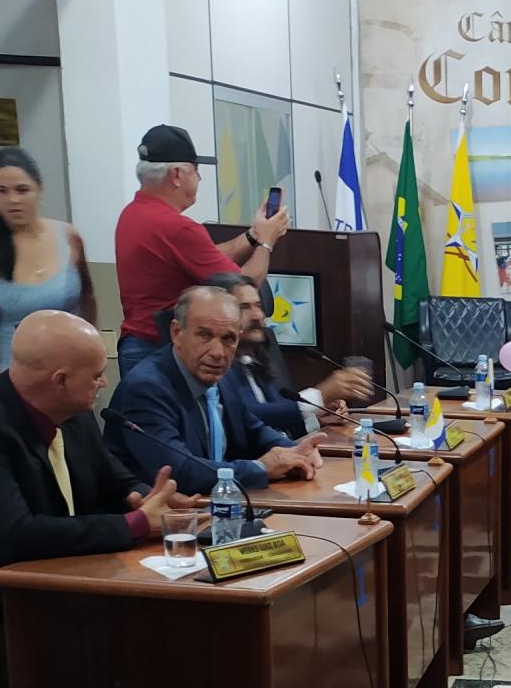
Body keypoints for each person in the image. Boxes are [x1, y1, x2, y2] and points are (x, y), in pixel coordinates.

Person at [0, 311, 200, 688]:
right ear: (60, 380)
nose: (103, 384)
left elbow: (110, 475)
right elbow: (17, 534)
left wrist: (144, 496)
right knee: (144, 644)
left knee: (175, 626)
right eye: (97, 375)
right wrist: (137, 523)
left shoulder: (72, 413)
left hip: (55, 587)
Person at [106, 286, 322, 495]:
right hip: (166, 520)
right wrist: (261, 468)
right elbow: (181, 472)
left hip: (220, 506)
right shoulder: (146, 388)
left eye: (228, 339)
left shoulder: (222, 375)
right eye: (204, 336)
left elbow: (253, 431)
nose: (218, 352)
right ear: (177, 332)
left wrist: (295, 453)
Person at [114, 124, 289, 376]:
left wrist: (253, 234)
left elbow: (206, 259)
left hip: (137, 345)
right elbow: (243, 287)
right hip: (163, 349)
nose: (200, 178)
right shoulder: (176, 227)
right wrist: (266, 243)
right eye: (196, 171)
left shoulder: (132, 214)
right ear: (176, 174)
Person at [0, 148, 95, 379]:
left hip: (71, 372)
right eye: (1, 191)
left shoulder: (68, 237)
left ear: (39, 190)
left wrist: (93, 360)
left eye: (22, 190)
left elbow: (88, 302)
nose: (13, 200)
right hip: (16, 375)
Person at [210, 274, 376, 436]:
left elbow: (274, 426)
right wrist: (320, 395)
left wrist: (318, 419)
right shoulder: (216, 365)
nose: (258, 315)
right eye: (244, 308)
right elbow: (248, 416)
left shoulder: (256, 359)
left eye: (259, 306)